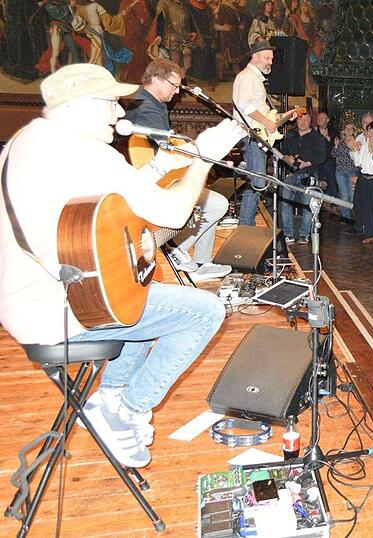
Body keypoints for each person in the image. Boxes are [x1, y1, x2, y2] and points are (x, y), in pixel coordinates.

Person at [0, 64, 244, 468]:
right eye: (111, 103)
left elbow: (98, 205)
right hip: (65, 313)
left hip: (21, 306)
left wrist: (160, 167)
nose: (119, 113)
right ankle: (130, 408)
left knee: (142, 293)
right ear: (77, 105)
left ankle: (108, 398)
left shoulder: (26, 141)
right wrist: (203, 159)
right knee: (204, 311)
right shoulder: (86, 152)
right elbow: (174, 212)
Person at [124, 59, 232, 281]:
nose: (177, 91)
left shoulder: (154, 104)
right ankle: (176, 248)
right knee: (216, 204)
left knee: (212, 202)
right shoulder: (144, 107)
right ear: (156, 78)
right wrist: (204, 148)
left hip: (162, 175)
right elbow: (166, 148)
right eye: (174, 85)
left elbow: (167, 143)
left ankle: (201, 261)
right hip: (152, 181)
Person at [233, 40, 276, 226]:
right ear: (255, 57)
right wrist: (266, 121)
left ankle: (247, 224)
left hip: (255, 136)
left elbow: (256, 107)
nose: (270, 62)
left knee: (257, 182)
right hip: (251, 137)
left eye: (271, 58)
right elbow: (244, 105)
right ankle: (246, 226)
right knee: (257, 182)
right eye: (267, 58)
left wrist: (276, 117)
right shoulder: (248, 77)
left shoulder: (255, 78)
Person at [279, 112, 326, 244]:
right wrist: (287, 159)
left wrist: (307, 163)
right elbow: (282, 153)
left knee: (308, 206)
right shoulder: (291, 135)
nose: (303, 122)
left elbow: (322, 156)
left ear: (310, 121)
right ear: (297, 121)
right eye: (301, 120)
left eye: (306, 120)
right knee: (285, 203)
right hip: (291, 174)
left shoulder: (317, 138)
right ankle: (288, 233)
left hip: (309, 175)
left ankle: (304, 235)